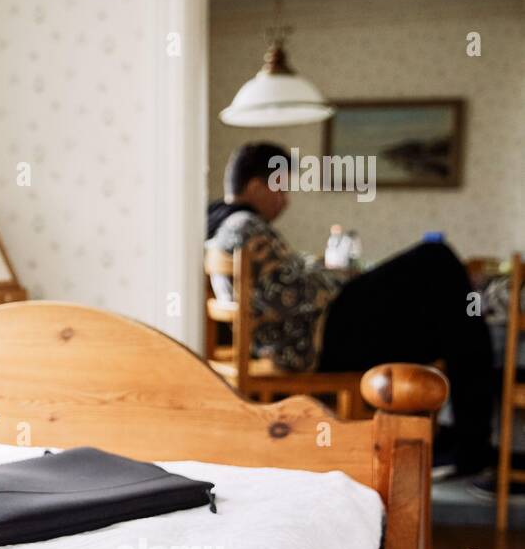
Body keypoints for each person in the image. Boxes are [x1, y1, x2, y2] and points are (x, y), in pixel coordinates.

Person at [206, 142, 493, 477]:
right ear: (255, 186)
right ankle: (469, 444)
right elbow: (289, 294)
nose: (285, 200)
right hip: (312, 342)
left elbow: (280, 285)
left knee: (448, 319)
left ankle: (463, 443)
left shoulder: (218, 222)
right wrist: (338, 278)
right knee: (436, 259)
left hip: (302, 338)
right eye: (280, 187)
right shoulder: (244, 226)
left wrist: (320, 273)